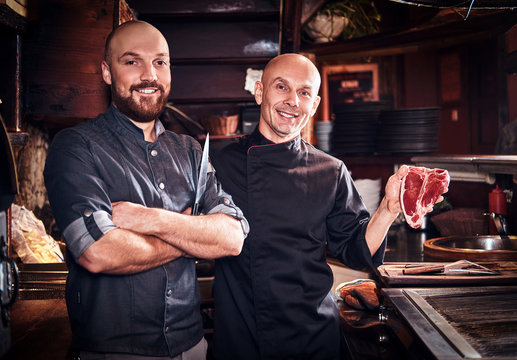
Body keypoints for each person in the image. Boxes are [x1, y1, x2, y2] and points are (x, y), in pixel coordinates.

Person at [44, 20, 248, 359]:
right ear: (107, 72)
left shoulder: (190, 151)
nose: (149, 74)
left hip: (192, 346)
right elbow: (98, 253)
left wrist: (148, 219)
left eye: (159, 61)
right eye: (132, 61)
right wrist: (190, 238)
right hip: (113, 351)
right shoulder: (76, 147)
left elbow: (232, 237)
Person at [209, 53, 410, 360]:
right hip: (242, 335)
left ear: (313, 105)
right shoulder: (220, 163)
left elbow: (356, 251)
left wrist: (388, 208)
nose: (292, 101)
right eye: (281, 87)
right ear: (260, 92)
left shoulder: (330, 170)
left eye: (303, 93)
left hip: (312, 336)